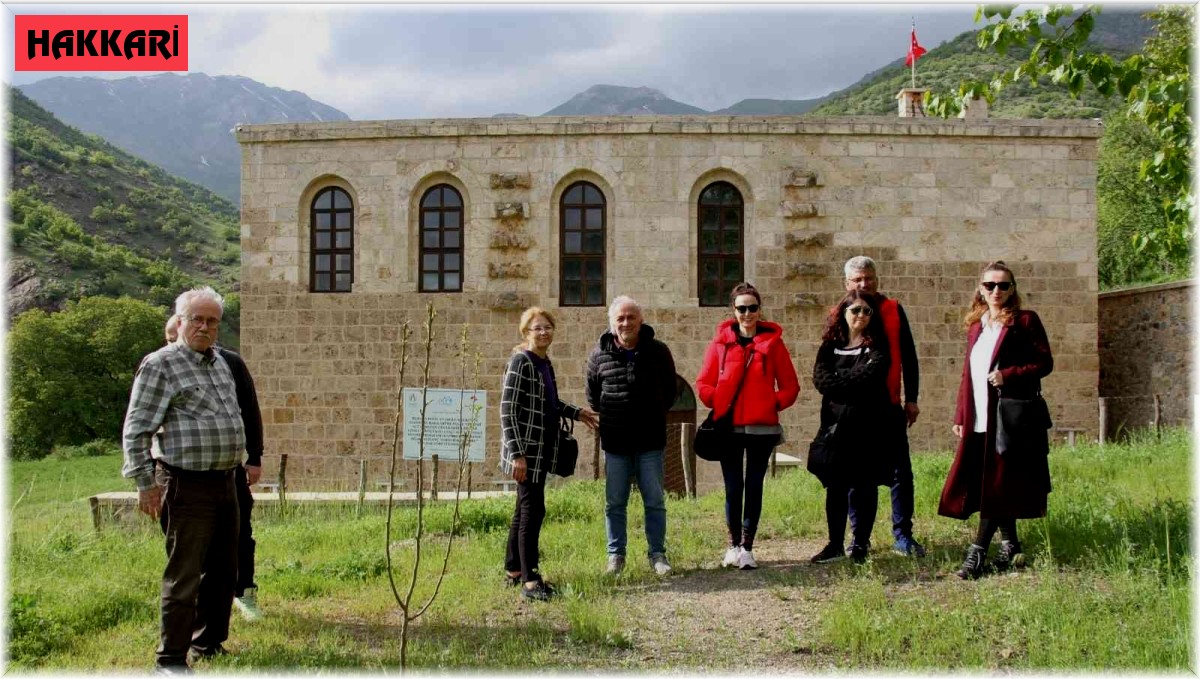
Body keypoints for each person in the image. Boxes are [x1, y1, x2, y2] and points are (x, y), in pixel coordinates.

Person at [122, 286, 245, 673]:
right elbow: (136, 429)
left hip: (226, 481)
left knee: (224, 570)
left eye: (211, 321)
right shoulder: (160, 364)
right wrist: (145, 482)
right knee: (184, 575)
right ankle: (170, 659)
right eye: (197, 319)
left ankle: (207, 644)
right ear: (180, 321)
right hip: (185, 484)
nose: (204, 327)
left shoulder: (220, 363)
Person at [938, 261, 1054, 580]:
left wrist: (1009, 375)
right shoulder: (977, 325)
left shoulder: (1025, 321)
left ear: (1013, 289)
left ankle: (976, 553)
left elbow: (1044, 363)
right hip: (978, 417)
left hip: (1009, 418)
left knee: (996, 483)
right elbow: (968, 374)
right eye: (990, 285)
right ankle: (1011, 544)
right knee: (991, 480)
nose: (996, 291)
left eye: (1003, 286)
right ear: (980, 289)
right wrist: (962, 413)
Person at [163, 316, 264, 622]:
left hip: (228, 471)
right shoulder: (162, 367)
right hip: (181, 473)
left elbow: (249, 408)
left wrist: (255, 457)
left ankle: (244, 593)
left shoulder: (229, 364)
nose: (173, 344)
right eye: (169, 339)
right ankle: (193, 600)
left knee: (239, 535)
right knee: (186, 540)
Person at [695, 282, 800, 570]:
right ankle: (732, 545)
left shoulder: (774, 345)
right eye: (741, 308)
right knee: (733, 486)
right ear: (734, 310)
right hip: (728, 427)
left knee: (754, 485)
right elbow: (703, 383)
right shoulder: (720, 345)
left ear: (759, 309)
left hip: (761, 428)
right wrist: (718, 400)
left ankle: (748, 548)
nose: (747, 313)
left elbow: (791, 386)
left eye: (752, 308)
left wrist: (771, 402)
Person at [500, 307, 598, 601]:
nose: (543, 332)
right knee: (533, 510)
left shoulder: (545, 363)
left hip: (541, 451)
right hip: (526, 453)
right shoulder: (521, 362)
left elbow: (550, 403)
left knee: (523, 509)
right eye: (536, 328)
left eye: (547, 327)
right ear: (525, 333)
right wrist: (517, 454)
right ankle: (531, 581)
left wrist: (577, 412)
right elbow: (507, 410)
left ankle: (513, 571)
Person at [586, 296, 678, 577]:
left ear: (641, 320)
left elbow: (671, 393)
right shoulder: (598, 356)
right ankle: (616, 556)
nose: (626, 323)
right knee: (615, 503)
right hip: (616, 444)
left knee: (654, 500)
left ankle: (657, 554)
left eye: (631, 317)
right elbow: (593, 398)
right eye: (620, 319)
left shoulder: (659, 352)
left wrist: (650, 415)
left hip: (650, 442)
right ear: (612, 324)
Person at [843, 256, 926, 557]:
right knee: (857, 477)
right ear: (847, 284)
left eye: (869, 278)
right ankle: (860, 539)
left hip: (888, 405)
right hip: (854, 411)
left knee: (899, 473)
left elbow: (909, 356)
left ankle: (903, 535)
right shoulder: (842, 312)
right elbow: (830, 358)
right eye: (857, 280)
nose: (864, 284)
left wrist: (912, 398)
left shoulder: (893, 309)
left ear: (877, 279)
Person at [809, 290, 893, 564]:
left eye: (866, 311)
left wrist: (839, 381)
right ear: (843, 312)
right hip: (835, 428)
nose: (860, 315)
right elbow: (821, 380)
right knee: (836, 487)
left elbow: (871, 376)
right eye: (855, 310)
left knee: (864, 486)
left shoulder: (878, 345)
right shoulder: (829, 346)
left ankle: (860, 543)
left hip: (867, 428)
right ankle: (834, 543)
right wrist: (848, 382)